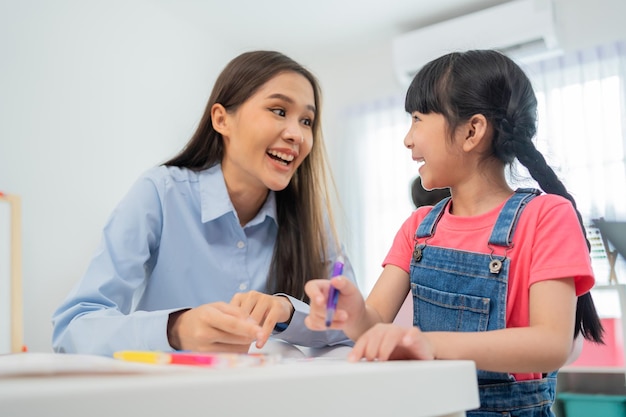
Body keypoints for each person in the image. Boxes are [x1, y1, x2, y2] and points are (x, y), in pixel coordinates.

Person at [305, 50, 603, 416]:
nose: (407, 139)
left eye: (417, 120)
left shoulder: (547, 216)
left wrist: (426, 343)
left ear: (472, 131)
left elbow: (551, 343)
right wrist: (352, 313)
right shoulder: (418, 228)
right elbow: (374, 325)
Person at [52, 50, 355, 356]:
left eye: (307, 121)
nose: (297, 135)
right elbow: (73, 329)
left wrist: (289, 312)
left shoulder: (312, 221)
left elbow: (351, 327)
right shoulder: (160, 193)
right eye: (278, 111)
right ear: (222, 120)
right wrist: (175, 330)